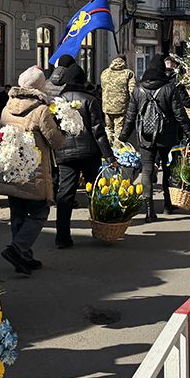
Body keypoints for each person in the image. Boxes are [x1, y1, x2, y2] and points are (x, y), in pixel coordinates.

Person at [0, 66, 66, 274]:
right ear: (39, 86)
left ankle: (23, 257)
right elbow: (55, 141)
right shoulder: (41, 110)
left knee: (17, 212)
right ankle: (18, 249)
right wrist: (62, 128)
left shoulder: (7, 107)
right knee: (39, 212)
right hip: (33, 170)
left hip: (11, 168)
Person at [121, 60, 190, 221]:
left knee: (146, 170)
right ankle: (168, 205)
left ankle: (149, 211)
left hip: (144, 137)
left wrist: (123, 136)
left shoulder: (138, 89)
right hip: (167, 137)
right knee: (168, 171)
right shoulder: (169, 89)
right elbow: (179, 114)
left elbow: (130, 115)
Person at [53, 62, 114, 249]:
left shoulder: (57, 101)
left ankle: (62, 237)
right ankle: (101, 230)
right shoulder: (90, 99)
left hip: (65, 153)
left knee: (65, 193)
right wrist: (110, 157)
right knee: (95, 192)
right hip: (89, 153)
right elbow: (98, 132)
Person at [100, 56, 136, 141]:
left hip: (107, 106)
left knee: (109, 130)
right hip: (121, 107)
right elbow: (132, 91)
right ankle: (118, 149)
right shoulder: (128, 73)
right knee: (119, 129)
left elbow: (103, 87)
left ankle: (108, 148)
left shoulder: (105, 72)